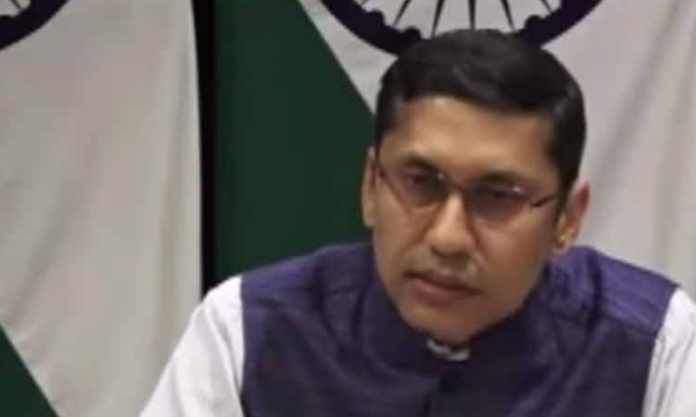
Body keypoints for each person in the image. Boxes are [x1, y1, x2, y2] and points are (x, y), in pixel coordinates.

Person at [141, 30, 696, 416]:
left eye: (498, 196)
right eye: (421, 182)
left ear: (566, 220)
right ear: (371, 186)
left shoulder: (657, 347)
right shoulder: (244, 331)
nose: (448, 237)